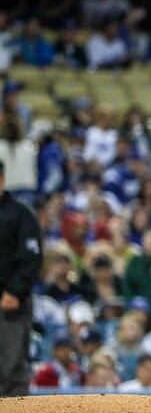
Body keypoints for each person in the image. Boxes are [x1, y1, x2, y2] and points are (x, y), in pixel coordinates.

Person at [0, 160, 43, 395]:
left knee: (12, 370)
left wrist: (16, 290)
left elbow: (32, 255)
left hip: (9, 303)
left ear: (2, 180)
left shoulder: (20, 213)